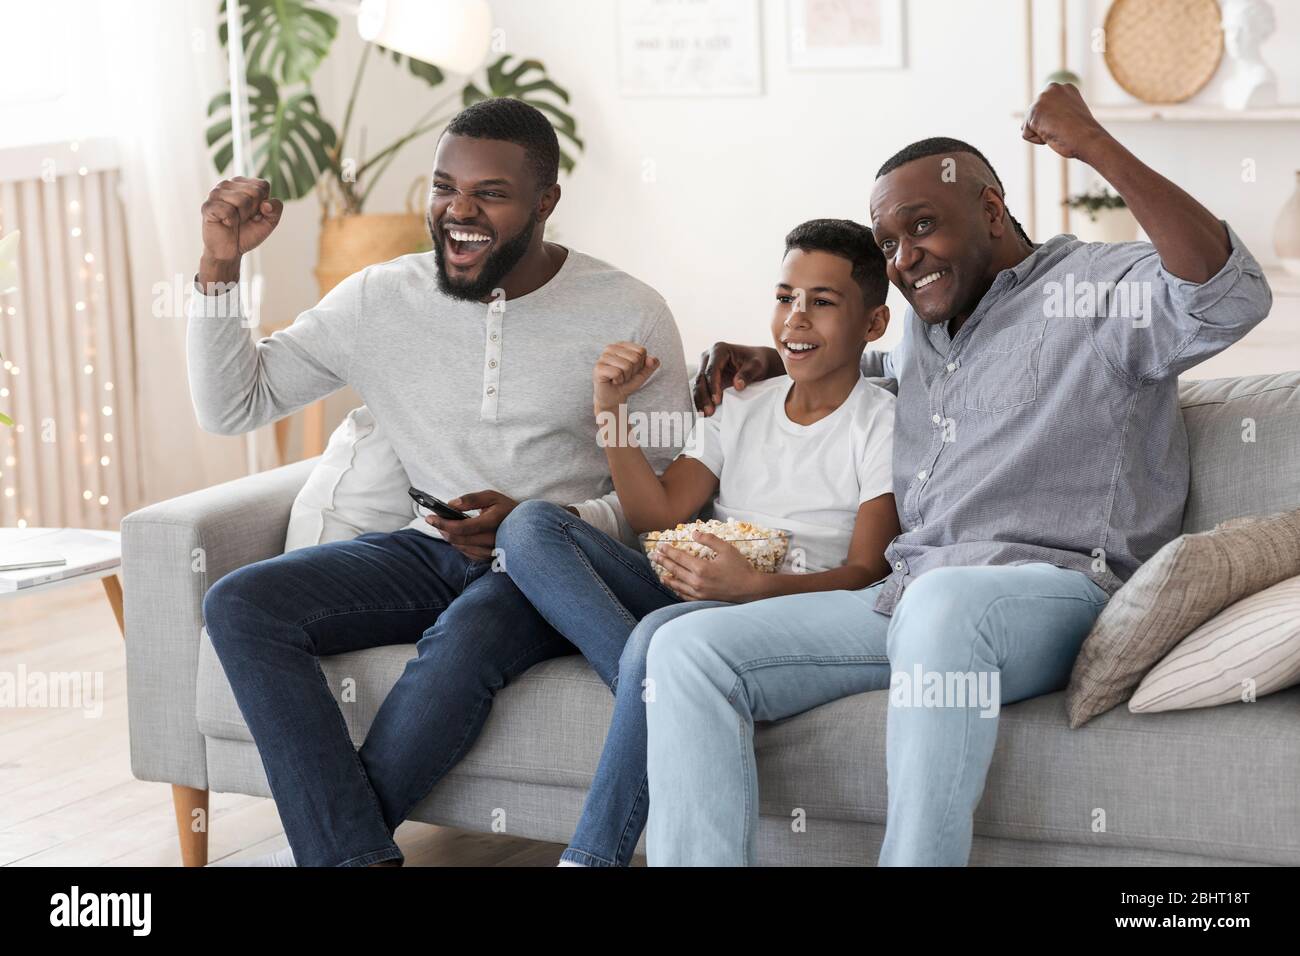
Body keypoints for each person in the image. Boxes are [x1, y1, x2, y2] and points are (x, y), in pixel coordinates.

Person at [651, 82, 1274, 866]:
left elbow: (1231, 298)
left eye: (922, 228)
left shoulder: (1095, 292)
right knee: (690, 651)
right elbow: (867, 366)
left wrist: (1094, 145)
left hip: (1056, 595)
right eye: (887, 243)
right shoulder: (925, 333)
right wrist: (776, 357)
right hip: (912, 602)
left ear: (988, 209)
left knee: (945, 605)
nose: (904, 259)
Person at [192, 98, 691, 867]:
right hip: (429, 550)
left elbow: (665, 503)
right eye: (443, 187)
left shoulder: (629, 311)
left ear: (544, 203)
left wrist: (546, 519)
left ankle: (345, 857)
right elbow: (235, 404)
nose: (459, 210)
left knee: (465, 640)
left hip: (552, 568)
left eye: (489, 193)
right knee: (241, 602)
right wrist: (222, 265)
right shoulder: (376, 300)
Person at [495, 218, 900, 866]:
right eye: (785, 297)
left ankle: (590, 856)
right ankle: (657, 683)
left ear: (874, 324)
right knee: (528, 528)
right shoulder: (741, 405)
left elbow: (867, 571)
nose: (796, 319)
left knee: (662, 640)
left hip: (781, 606)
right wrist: (609, 408)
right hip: (688, 585)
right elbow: (656, 515)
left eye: (822, 303)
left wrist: (755, 586)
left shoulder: (880, 422)